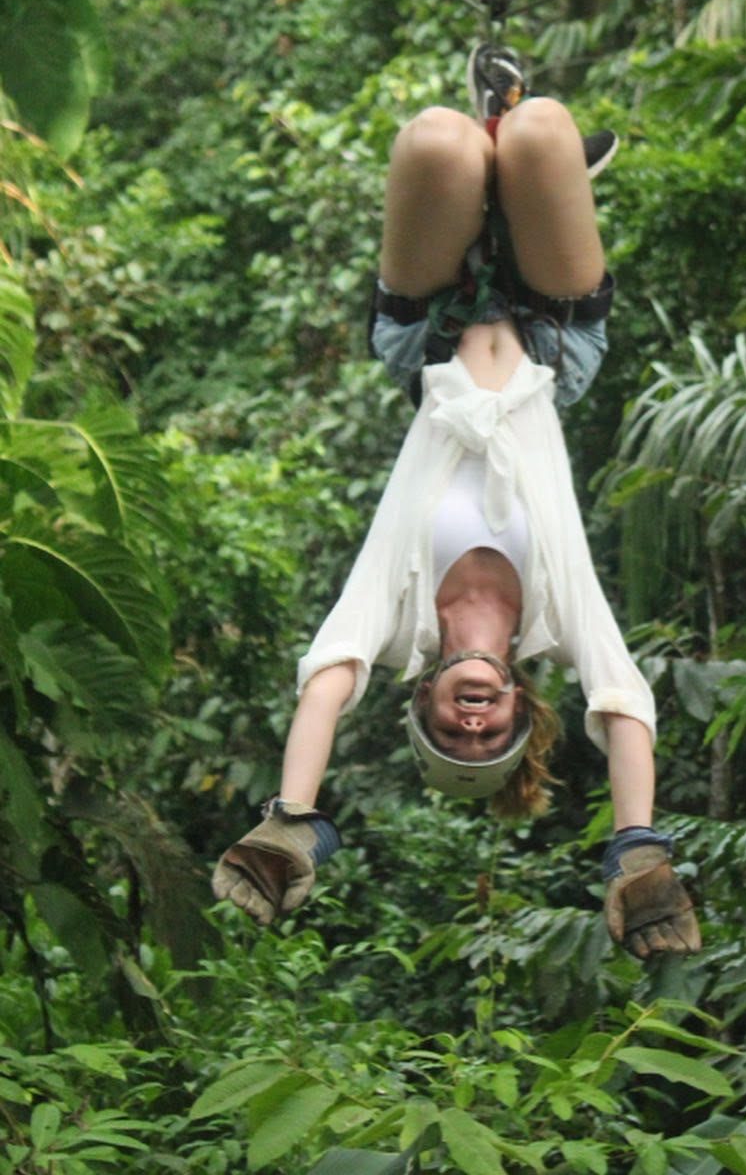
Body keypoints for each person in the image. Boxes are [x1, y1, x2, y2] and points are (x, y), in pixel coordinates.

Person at [212, 47, 700, 960]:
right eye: (492, 736)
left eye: (452, 733)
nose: (473, 724)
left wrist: (292, 820)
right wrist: (636, 848)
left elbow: (325, 684)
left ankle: (493, 182)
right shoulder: (558, 620)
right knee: (543, 128)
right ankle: (523, 181)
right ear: (518, 704)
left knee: (435, 141)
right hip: (552, 344)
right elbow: (626, 705)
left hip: (428, 337)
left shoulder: (394, 621)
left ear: (426, 701)